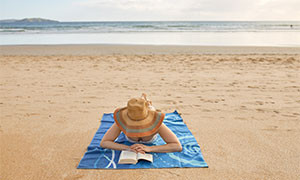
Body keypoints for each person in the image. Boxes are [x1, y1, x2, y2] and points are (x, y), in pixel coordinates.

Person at [100, 93, 182, 154]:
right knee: (137, 110)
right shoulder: (122, 121)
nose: (138, 126)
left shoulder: (156, 123)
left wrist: (150, 149)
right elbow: (104, 142)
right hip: (137, 113)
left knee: (150, 109)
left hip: (147, 112)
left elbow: (177, 146)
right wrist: (128, 148)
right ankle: (144, 103)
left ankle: (147, 104)